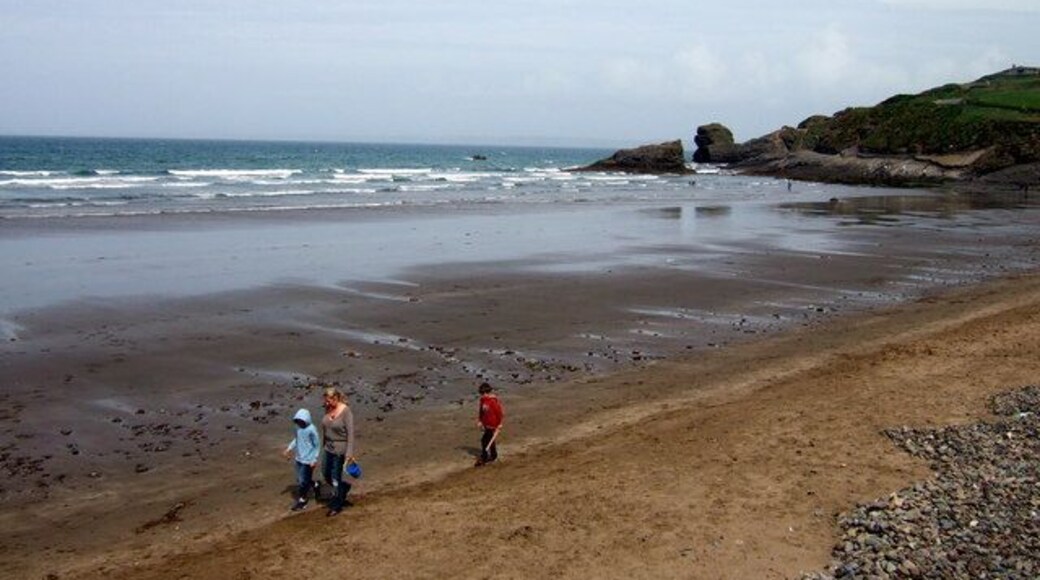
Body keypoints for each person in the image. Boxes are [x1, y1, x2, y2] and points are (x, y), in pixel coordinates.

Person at [320, 385, 356, 516]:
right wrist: (322, 445)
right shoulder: (328, 409)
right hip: (328, 448)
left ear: (335, 398)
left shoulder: (346, 411)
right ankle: (343, 488)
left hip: (340, 449)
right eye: (325, 400)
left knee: (335, 477)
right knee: (325, 473)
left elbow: (351, 434)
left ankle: (336, 505)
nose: (326, 403)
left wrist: (349, 454)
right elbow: (325, 429)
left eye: (328, 400)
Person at [282, 408, 320, 511]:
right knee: (300, 479)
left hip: (308, 460)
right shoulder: (297, 428)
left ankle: (303, 501)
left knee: (303, 482)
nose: (300, 423)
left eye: (301, 421)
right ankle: (315, 485)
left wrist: (314, 459)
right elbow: (296, 439)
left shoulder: (312, 429)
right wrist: (289, 449)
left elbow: (316, 445)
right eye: (298, 421)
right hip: (299, 458)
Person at [475, 381, 504, 467]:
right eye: (482, 393)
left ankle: (485, 456)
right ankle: (493, 455)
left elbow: (499, 413)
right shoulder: (482, 400)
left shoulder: (493, 402)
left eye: (486, 393)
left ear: (489, 392)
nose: (484, 395)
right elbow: (481, 411)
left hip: (493, 423)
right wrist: (480, 421)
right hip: (486, 423)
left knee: (485, 440)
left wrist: (500, 423)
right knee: (490, 440)